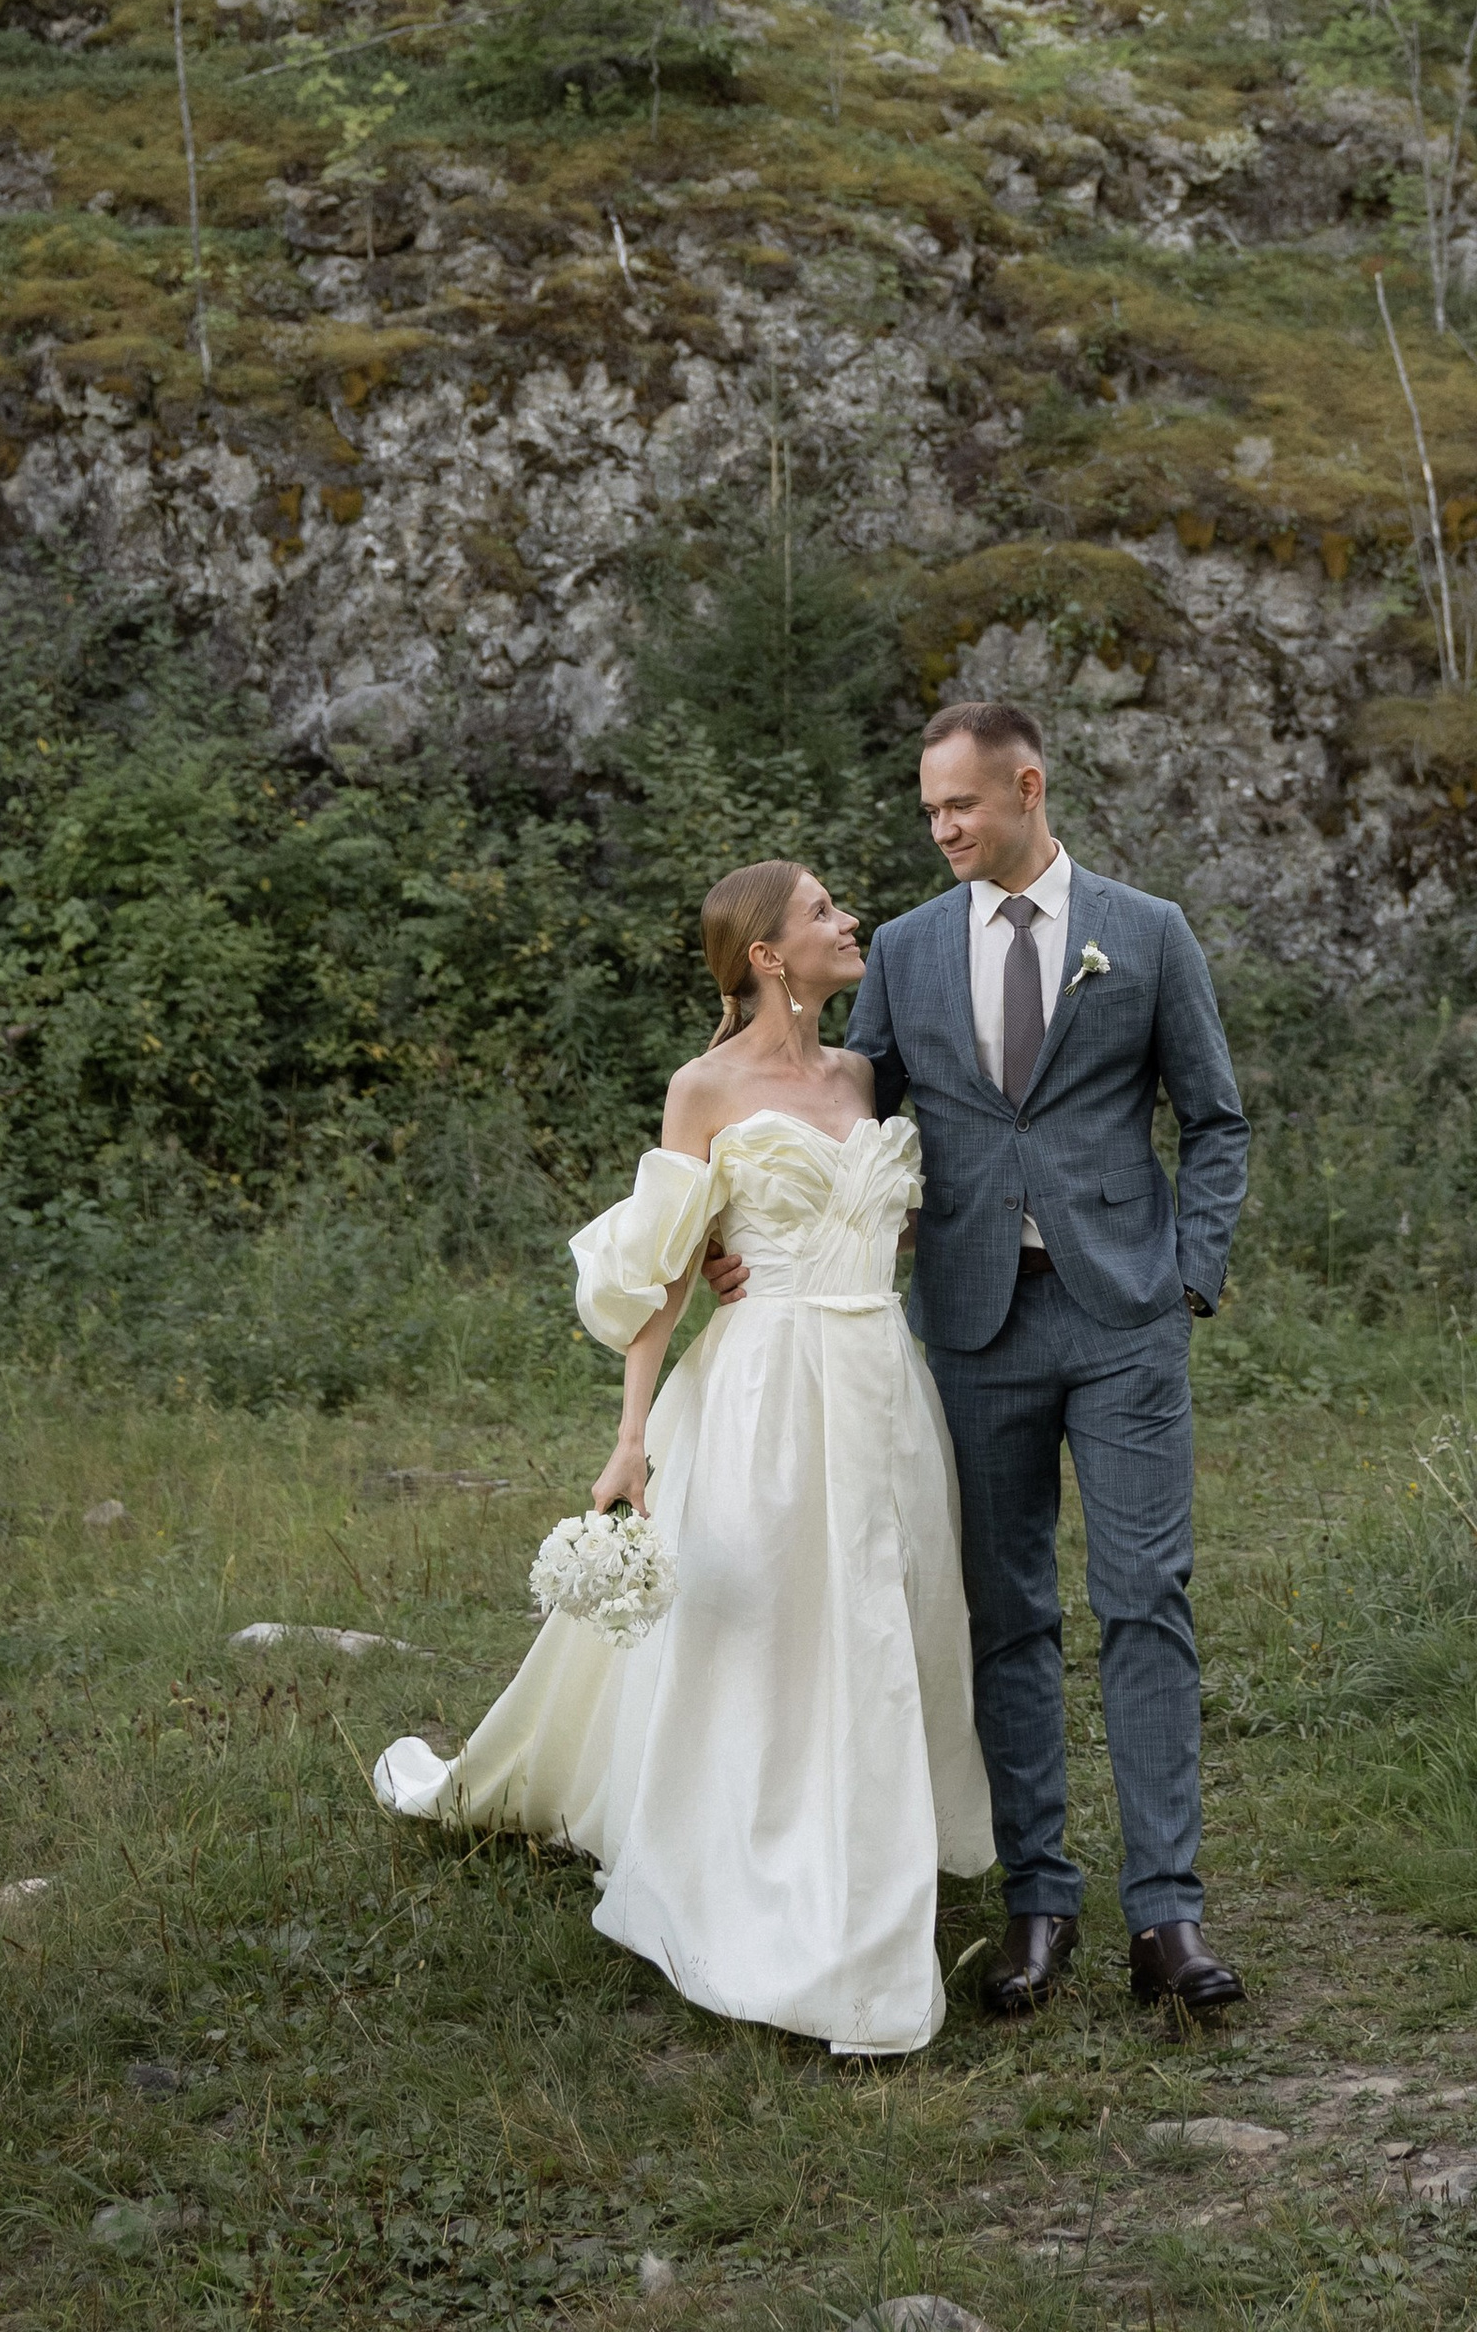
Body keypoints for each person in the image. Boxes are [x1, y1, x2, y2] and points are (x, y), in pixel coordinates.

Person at [371, 859, 993, 2056]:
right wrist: (627, 1445)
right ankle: (753, 1860)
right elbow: (661, 1272)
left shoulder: (864, 1073)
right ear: (766, 955)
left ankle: (871, 1847)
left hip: (880, 1384)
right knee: (767, 1624)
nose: (847, 920)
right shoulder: (702, 1088)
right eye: (821, 912)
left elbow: (886, 1213)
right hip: (762, 1392)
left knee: (880, 1617)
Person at [703, 699, 1251, 2022]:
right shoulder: (899, 949)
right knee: (1001, 1616)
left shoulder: (1150, 934)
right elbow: (837, 1107)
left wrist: (1189, 1272)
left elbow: (1217, 1120)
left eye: (960, 805)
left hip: (1124, 1316)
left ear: (1027, 786)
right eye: (929, 810)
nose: (941, 829)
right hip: (971, 1322)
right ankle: (1040, 1901)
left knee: (1145, 1600)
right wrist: (739, 1230)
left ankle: (1165, 1916)